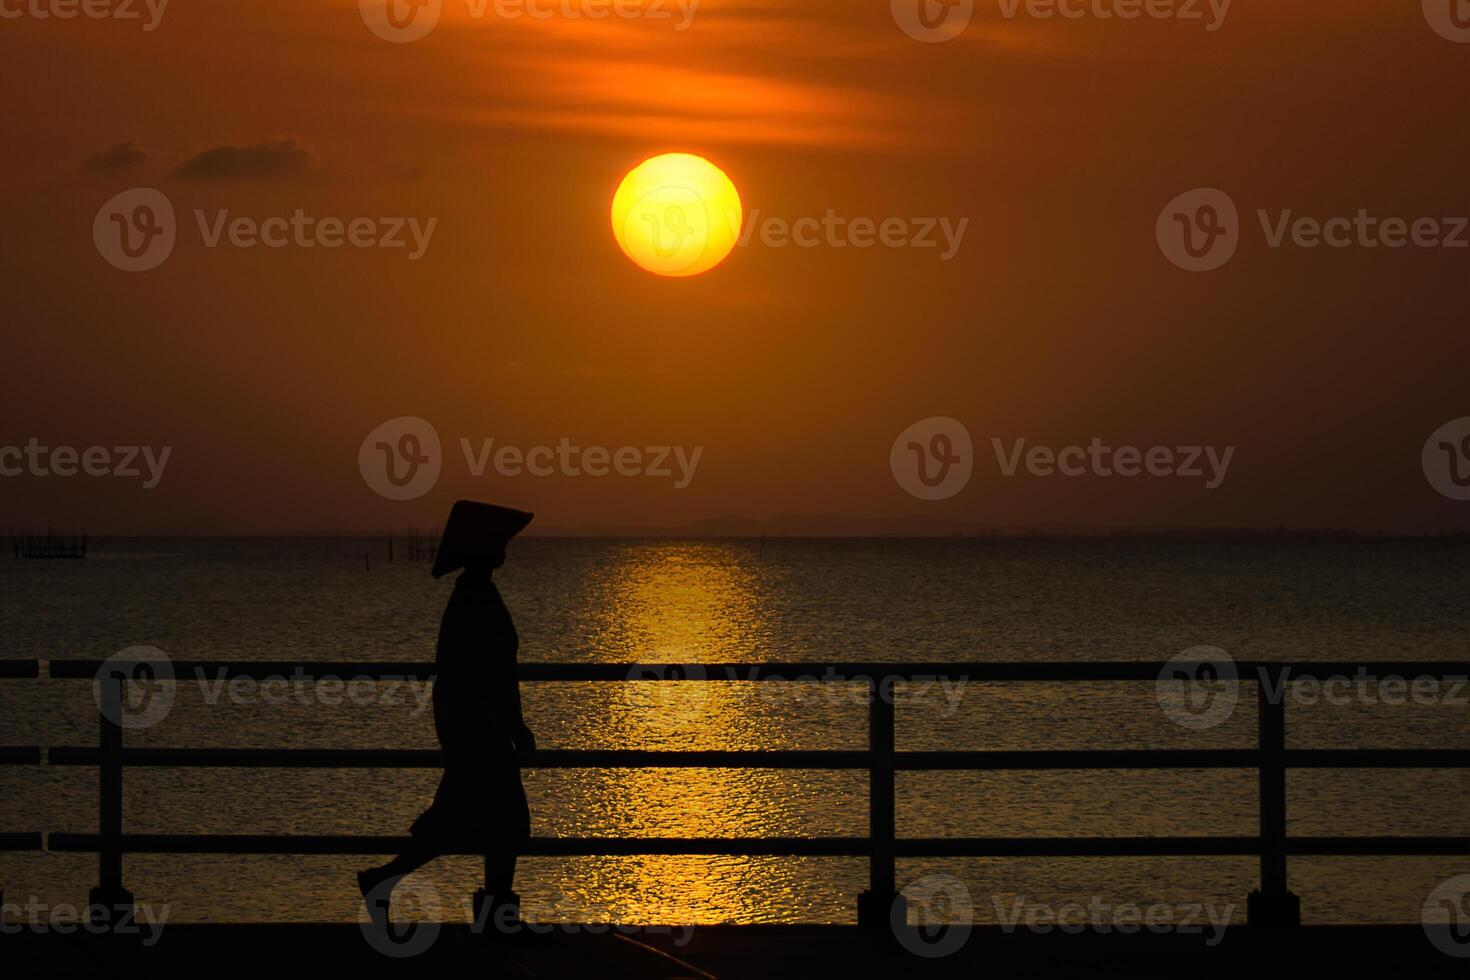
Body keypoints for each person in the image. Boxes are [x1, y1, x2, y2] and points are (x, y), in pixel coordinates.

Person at [358, 500, 537, 928]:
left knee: (473, 817)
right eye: (497, 541)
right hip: (479, 724)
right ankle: (494, 917)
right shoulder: (476, 597)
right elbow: (492, 671)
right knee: (500, 819)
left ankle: (386, 880)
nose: (505, 548)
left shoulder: (473, 594)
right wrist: (513, 724)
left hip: (468, 720)